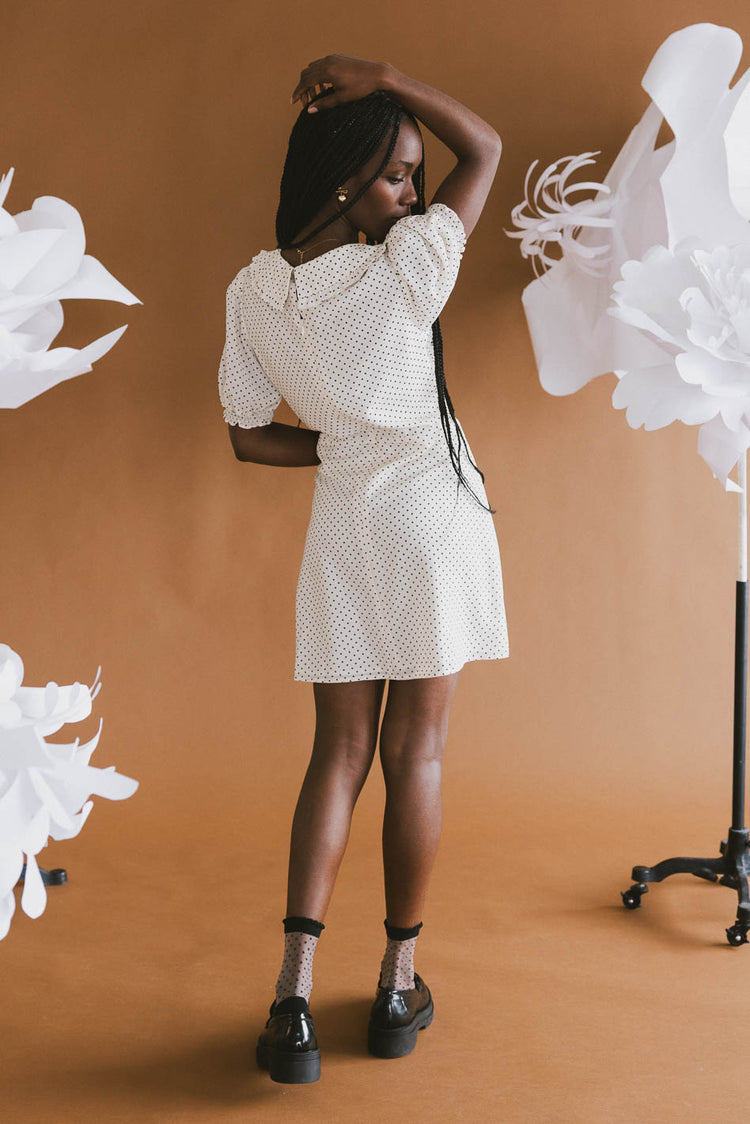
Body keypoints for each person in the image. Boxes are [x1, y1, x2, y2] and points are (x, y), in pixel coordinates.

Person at [217, 53, 510, 1084]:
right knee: (413, 753)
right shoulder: (408, 266)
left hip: (342, 530)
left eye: (415, 178)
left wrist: (341, 449)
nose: (417, 193)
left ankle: (291, 1001)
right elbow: (491, 146)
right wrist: (386, 75)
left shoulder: (254, 292)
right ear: (347, 182)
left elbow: (250, 437)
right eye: (397, 175)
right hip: (433, 519)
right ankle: (395, 985)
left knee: (335, 754)